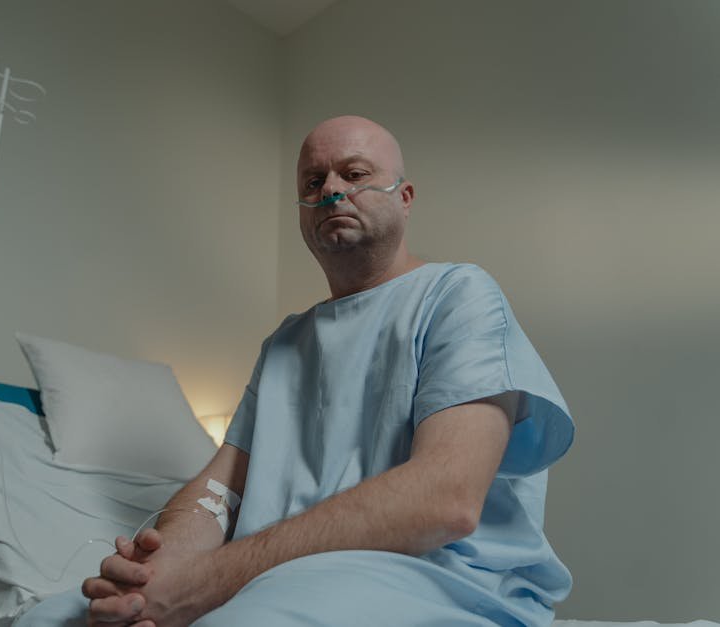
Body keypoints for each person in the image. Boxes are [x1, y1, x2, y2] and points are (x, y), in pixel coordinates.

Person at [81, 115, 575, 626]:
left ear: (404, 197)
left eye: (354, 174)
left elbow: (446, 499)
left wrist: (207, 581)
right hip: (281, 581)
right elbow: (219, 490)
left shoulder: (457, 296)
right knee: (60, 617)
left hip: (441, 582)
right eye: (313, 182)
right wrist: (154, 579)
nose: (331, 190)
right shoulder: (285, 345)